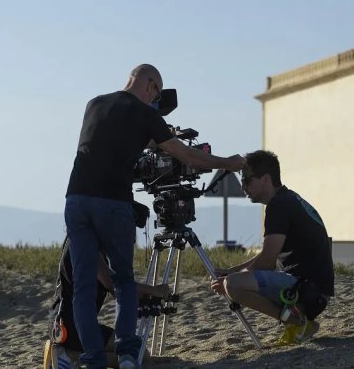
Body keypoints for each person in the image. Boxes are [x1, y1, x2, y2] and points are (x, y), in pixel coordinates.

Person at [65, 64, 245, 369]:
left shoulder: (94, 103)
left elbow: (112, 140)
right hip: (112, 203)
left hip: (76, 200)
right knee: (123, 281)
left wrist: (156, 137)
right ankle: (126, 355)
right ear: (151, 86)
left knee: (82, 287)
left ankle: (93, 361)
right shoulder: (147, 114)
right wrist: (227, 162)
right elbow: (187, 156)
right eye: (157, 94)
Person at [210, 150, 334, 346]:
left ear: (266, 179)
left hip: (307, 290)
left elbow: (267, 262)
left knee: (233, 285)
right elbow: (267, 256)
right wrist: (231, 271)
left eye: (247, 180)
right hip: (315, 290)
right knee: (233, 280)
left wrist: (230, 279)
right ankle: (296, 321)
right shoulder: (289, 198)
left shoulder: (278, 206)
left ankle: (297, 322)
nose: (243, 187)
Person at [47, 201, 171, 366]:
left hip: (67, 324)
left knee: (139, 353)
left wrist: (140, 293)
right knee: (139, 356)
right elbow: (110, 282)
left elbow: (117, 290)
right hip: (68, 327)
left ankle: (73, 353)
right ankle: (71, 355)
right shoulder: (85, 241)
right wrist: (154, 290)